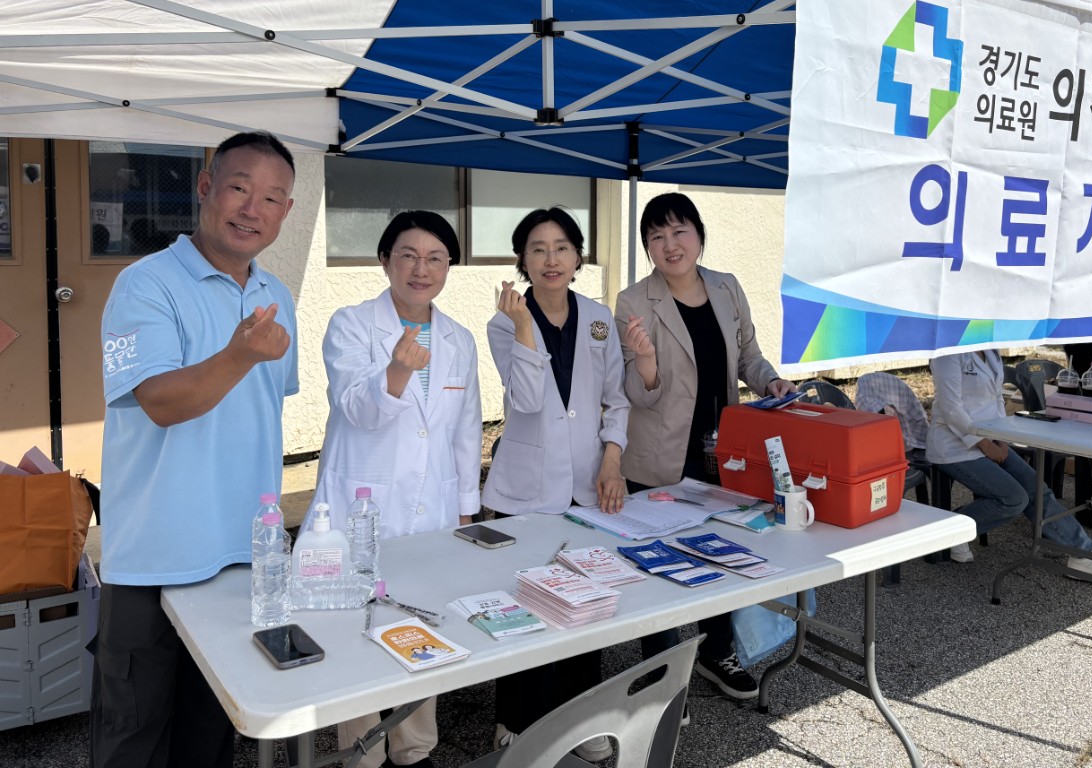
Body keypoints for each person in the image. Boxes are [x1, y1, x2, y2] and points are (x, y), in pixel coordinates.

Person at [91, 131, 298, 768]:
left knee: (209, 735)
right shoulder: (142, 285)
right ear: (206, 186)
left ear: (286, 213)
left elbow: (260, 413)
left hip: (240, 555)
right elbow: (161, 401)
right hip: (154, 557)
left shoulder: (276, 294)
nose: (251, 208)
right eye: (239, 187)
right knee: (135, 738)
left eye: (271, 198)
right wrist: (238, 354)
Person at [307, 210, 481, 768]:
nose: (420, 268)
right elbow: (354, 406)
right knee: (359, 632)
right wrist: (397, 372)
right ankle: (362, 753)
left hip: (433, 508)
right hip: (364, 507)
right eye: (407, 254)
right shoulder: (352, 324)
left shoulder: (458, 338)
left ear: (449, 267)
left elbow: (465, 428)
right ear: (385, 260)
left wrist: (467, 511)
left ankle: (414, 747)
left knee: (421, 623)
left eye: (435, 258)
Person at [614, 192, 795, 703]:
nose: (669, 245)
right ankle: (661, 674)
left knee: (721, 556)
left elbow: (748, 357)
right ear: (648, 246)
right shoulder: (633, 301)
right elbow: (634, 390)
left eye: (679, 232)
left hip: (724, 453)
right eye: (656, 236)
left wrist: (772, 383)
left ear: (698, 235)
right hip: (661, 457)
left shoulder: (726, 286)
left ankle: (718, 653)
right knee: (660, 565)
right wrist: (646, 362)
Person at [483, 206, 628, 763]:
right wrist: (524, 330)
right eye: (538, 248)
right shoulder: (504, 322)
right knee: (526, 606)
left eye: (562, 247)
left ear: (578, 257)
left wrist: (612, 461)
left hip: (589, 486)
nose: (551, 258)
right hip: (525, 491)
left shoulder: (596, 316)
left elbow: (616, 398)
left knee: (585, 606)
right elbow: (525, 401)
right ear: (522, 258)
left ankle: (583, 719)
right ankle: (516, 723)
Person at [927, 349, 1092, 583]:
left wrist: (1001, 439)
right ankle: (949, 528)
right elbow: (951, 409)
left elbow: (996, 400)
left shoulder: (990, 350)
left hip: (991, 436)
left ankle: (1082, 554)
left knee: (1037, 489)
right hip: (954, 445)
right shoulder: (947, 354)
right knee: (1013, 499)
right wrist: (984, 444)